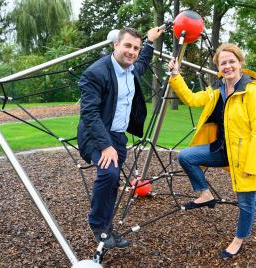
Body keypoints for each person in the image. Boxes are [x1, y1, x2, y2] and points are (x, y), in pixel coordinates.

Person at [168, 43, 256, 259]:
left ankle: (238, 239)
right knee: (186, 156)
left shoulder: (251, 92)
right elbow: (192, 99)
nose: (228, 66)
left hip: (243, 156)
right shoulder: (217, 90)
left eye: (232, 61)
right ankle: (205, 194)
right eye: (223, 63)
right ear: (219, 67)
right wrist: (175, 75)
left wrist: (251, 165)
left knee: (245, 202)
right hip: (222, 150)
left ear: (240, 63)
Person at [77, 26, 163, 248]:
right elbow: (89, 113)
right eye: (127, 46)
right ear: (116, 44)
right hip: (95, 135)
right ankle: (98, 225)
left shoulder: (132, 68)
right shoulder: (96, 73)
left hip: (118, 136)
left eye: (135, 48)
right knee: (108, 173)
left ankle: (106, 226)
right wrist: (105, 146)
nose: (132, 51)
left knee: (113, 180)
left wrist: (150, 42)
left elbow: (143, 62)